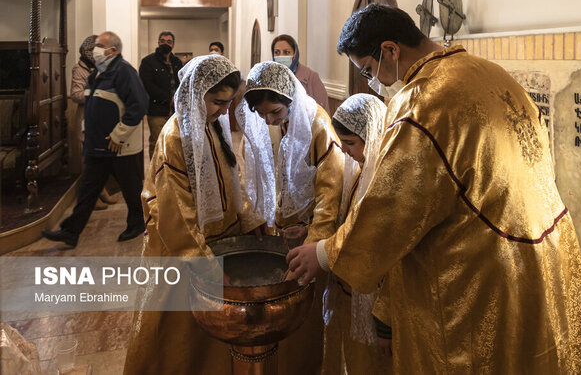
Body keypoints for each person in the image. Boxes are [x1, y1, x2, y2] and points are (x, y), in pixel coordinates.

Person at [287, 4, 581, 373]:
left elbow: (392, 206)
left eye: (370, 71)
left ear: (390, 50)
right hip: (542, 251)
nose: (376, 82)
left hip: (477, 275)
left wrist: (324, 253)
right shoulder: (491, 73)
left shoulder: (423, 102)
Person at [123, 55, 264, 375]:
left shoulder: (212, 125)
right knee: (179, 342)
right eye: (217, 101)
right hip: (183, 253)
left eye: (229, 103)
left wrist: (247, 217)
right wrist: (205, 264)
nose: (224, 111)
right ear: (194, 93)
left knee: (214, 341)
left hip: (219, 246)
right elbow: (176, 213)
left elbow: (232, 180)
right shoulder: (176, 136)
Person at [235, 61, 344, 374]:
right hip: (283, 232)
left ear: (291, 99)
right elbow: (257, 175)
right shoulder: (278, 123)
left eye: (276, 113)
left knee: (304, 318)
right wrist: (256, 213)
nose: (269, 120)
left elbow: (329, 196)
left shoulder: (317, 126)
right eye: (262, 114)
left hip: (311, 241)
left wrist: (311, 248)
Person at [42, 31, 148, 247]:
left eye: (99, 46)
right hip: (97, 144)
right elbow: (90, 104)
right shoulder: (98, 72)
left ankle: (137, 223)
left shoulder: (124, 71)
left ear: (113, 51)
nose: (94, 50)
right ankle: (71, 232)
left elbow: (139, 105)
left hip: (120, 146)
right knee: (88, 190)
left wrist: (119, 135)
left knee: (131, 189)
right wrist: (85, 129)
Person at [321, 93, 392, 374]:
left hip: (375, 307)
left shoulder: (381, 181)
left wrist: (385, 324)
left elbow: (386, 255)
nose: (346, 151)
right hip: (349, 294)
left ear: (372, 136)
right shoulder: (360, 171)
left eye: (351, 143)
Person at [69, 35, 118, 210]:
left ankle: (102, 191)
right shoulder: (79, 69)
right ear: (85, 51)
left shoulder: (101, 67)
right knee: (87, 161)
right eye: (92, 50)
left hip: (101, 119)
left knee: (99, 160)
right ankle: (90, 197)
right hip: (86, 119)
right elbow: (75, 94)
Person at [139, 30, 183, 159]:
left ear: (173, 44)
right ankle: (156, 174)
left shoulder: (177, 62)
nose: (165, 43)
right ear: (158, 42)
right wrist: (168, 99)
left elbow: (182, 81)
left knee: (174, 141)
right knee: (158, 141)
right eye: (163, 41)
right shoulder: (148, 62)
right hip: (157, 109)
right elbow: (147, 85)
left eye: (169, 41)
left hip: (176, 110)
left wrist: (178, 99)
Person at [272, 34, 329, 111]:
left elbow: (323, 113)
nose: (281, 56)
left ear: (295, 54)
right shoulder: (270, 78)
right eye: (277, 52)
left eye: (286, 52)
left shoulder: (311, 77)